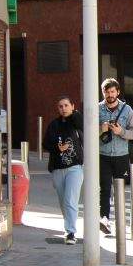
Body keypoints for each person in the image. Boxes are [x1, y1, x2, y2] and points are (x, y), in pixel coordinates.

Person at [98, 78, 133, 235]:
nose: (110, 95)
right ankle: (105, 219)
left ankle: (121, 221)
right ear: (103, 93)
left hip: (121, 155)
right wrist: (101, 129)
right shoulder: (97, 109)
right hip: (103, 155)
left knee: (119, 189)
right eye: (107, 92)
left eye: (112, 91)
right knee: (104, 189)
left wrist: (120, 131)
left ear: (118, 92)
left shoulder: (127, 110)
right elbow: (88, 133)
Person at [44, 96, 83, 244]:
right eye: (60, 106)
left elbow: (81, 123)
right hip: (58, 168)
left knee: (70, 200)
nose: (63, 108)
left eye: (66, 105)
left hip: (75, 168)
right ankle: (69, 227)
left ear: (72, 106)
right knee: (63, 202)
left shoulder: (76, 120)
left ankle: (71, 232)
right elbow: (45, 143)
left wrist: (74, 113)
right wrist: (57, 147)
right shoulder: (54, 124)